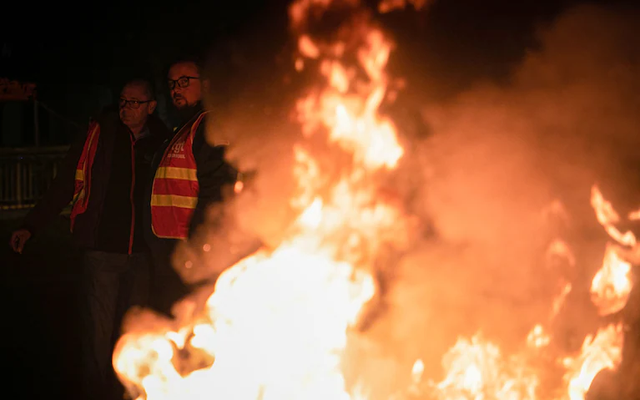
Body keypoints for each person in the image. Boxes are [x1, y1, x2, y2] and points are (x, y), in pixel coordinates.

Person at [9, 79, 171, 400]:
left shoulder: (162, 140)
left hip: (142, 255)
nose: (126, 107)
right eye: (122, 101)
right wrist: (31, 225)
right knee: (97, 340)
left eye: (134, 103)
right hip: (102, 252)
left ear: (151, 106)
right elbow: (66, 182)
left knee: (135, 337)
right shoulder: (101, 133)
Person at [145, 58, 237, 316]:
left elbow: (216, 190)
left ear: (206, 85)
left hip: (190, 254)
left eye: (184, 82)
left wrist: (198, 246)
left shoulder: (210, 127)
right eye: (172, 83)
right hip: (170, 250)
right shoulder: (183, 129)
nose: (176, 88)